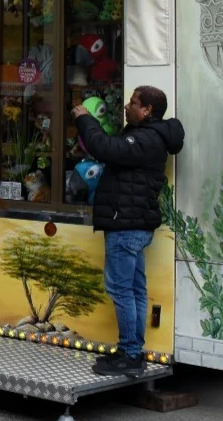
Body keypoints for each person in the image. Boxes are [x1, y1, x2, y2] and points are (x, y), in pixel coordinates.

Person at [72, 86, 185, 377]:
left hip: (126, 225)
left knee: (121, 290)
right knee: (134, 289)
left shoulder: (145, 139)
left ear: (146, 110)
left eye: (133, 103)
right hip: (132, 225)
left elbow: (105, 149)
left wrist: (86, 119)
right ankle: (131, 351)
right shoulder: (150, 136)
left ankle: (130, 353)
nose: (126, 106)